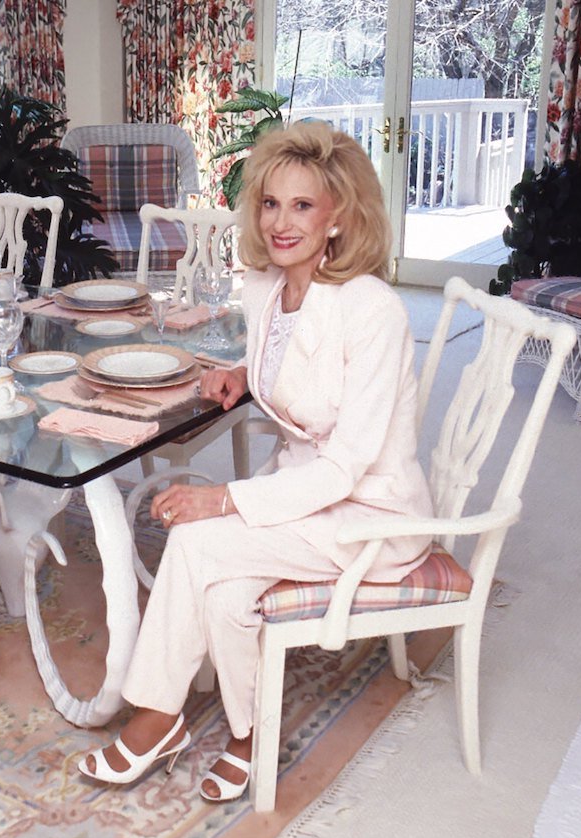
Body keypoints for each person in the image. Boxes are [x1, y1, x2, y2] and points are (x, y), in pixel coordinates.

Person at [77, 122, 436, 802]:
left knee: (195, 539)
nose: (281, 222)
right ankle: (250, 734)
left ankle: (155, 718)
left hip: (365, 512)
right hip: (305, 488)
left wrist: (224, 500)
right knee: (222, 588)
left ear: (339, 218)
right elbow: (300, 367)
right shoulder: (272, 289)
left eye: (303, 206)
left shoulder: (375, 310)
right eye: (271, 204)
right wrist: (248, 376)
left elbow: (345, 468)